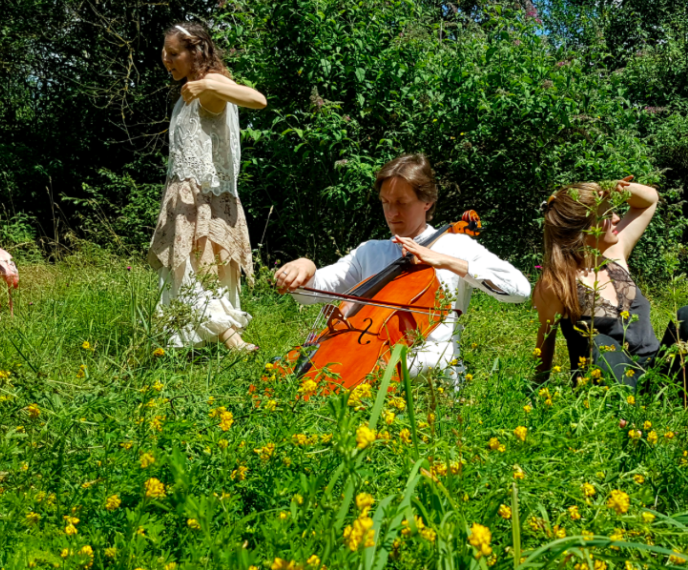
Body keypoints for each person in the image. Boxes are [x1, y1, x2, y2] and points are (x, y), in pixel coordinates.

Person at [275, 154, 531, 384]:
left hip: (430, 364)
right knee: (284, 368)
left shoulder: (456, 246)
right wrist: (305, 268)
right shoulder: (370, 251)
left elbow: (519, 290)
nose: (392, 213)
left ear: (427, 202)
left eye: (402, 203)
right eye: (385, 202)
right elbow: (317, 290)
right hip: (368, 351)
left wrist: (445, 261)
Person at [533, 180, 688, 402]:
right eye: (606, 215)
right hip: (609, 387)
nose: (616, 218)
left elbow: (649, 200)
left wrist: (613, 187)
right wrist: (538, 394)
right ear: (585, 228)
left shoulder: (615, 252)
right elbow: (544, 344)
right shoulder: (557, 283)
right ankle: (626, 419)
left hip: (658, 374)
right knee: (601, 344)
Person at [148, 21, 267, 351]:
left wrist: (206, 87)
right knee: (192, 273)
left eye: (174, 53)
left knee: (197, 272)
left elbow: (257, 100)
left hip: (203, 198)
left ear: (195, 52)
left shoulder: (210, 84)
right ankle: (201, 344)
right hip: (188, 198)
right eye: (165, 52)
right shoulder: (191, 89)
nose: (166, 59)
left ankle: (232, 340)